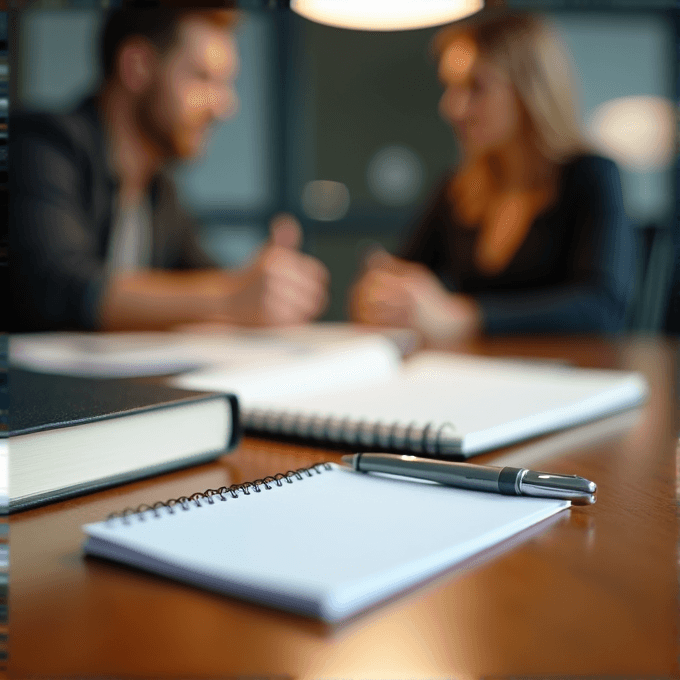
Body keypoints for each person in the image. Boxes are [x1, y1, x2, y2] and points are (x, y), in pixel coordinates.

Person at [10, 5, 328, 331]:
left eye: (226, 83)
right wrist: (231, 296)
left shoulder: (159, 191)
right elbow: (56, 286)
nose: (225, 106)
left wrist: (269, 289)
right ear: (137, 67)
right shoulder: (41, 145)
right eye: (203, 78)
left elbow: (198, 279)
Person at [349, 11, 634, 344]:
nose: (451, 108)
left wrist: (464, 316)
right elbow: (404, 273)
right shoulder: (459, 188)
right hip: (476, 379)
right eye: (451, 88)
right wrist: (382, 298)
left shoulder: (590, 175)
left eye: (476, 87)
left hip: (566, 383)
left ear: (529, 89)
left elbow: (602, 311)